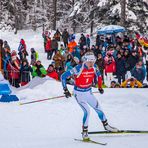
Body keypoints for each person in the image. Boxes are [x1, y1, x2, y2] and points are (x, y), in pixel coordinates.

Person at [61, 52, 118, 141]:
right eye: (89, 62)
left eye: (93, 61)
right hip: (79, 94)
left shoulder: (95, 67)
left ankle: (106, 126)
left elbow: (99, 76)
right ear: (85, 61)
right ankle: (85, 132)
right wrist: (65, 90)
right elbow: (63, 76)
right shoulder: (78, 68)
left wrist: (100, 87)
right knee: (87, 111)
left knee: (98, 108)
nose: (91, 63)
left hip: (88, 92)